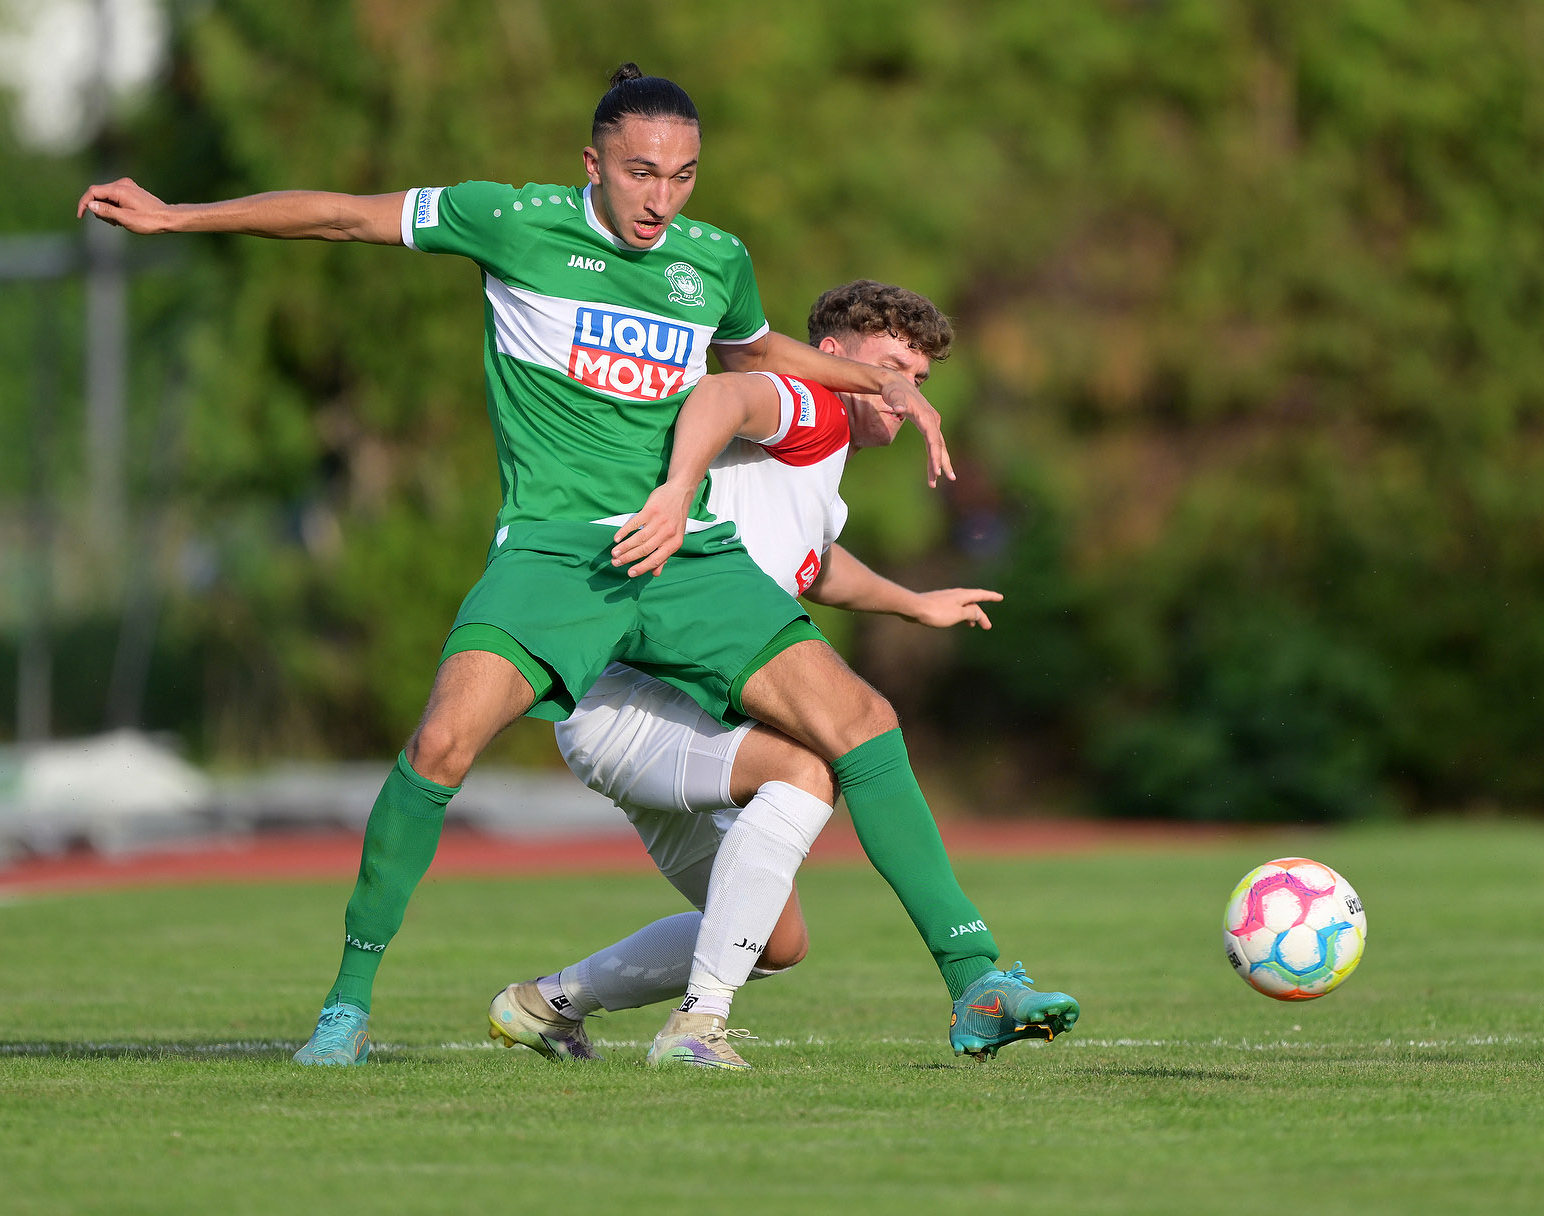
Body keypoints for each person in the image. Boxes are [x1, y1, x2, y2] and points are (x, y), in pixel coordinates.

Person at [75, 64, 1068, 1069]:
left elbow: (755, 350)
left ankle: (974, 980)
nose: (661, 198)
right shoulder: (512, 221)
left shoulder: (714, 258)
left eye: (683, 176)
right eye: (641, 173)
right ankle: (345, 1008)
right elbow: (342, 215)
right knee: (440, 746)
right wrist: (176, 216)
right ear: (592, 163)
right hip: (557, 548)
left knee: (863, 723)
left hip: (684, 555)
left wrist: (878, 384)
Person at [487, 281, 1077, 1068]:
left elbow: (816, 563)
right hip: (638, 700)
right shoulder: (811, 406)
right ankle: (963, 979)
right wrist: (675, 490)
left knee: (774, 941)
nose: (905, 391)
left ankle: (543, 1005)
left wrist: (911, 603)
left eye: (918, 377)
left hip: (657, 716)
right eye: (890, 367)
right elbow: (726, 392)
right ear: (831, 357)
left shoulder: (816, 474)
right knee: (850, 735)